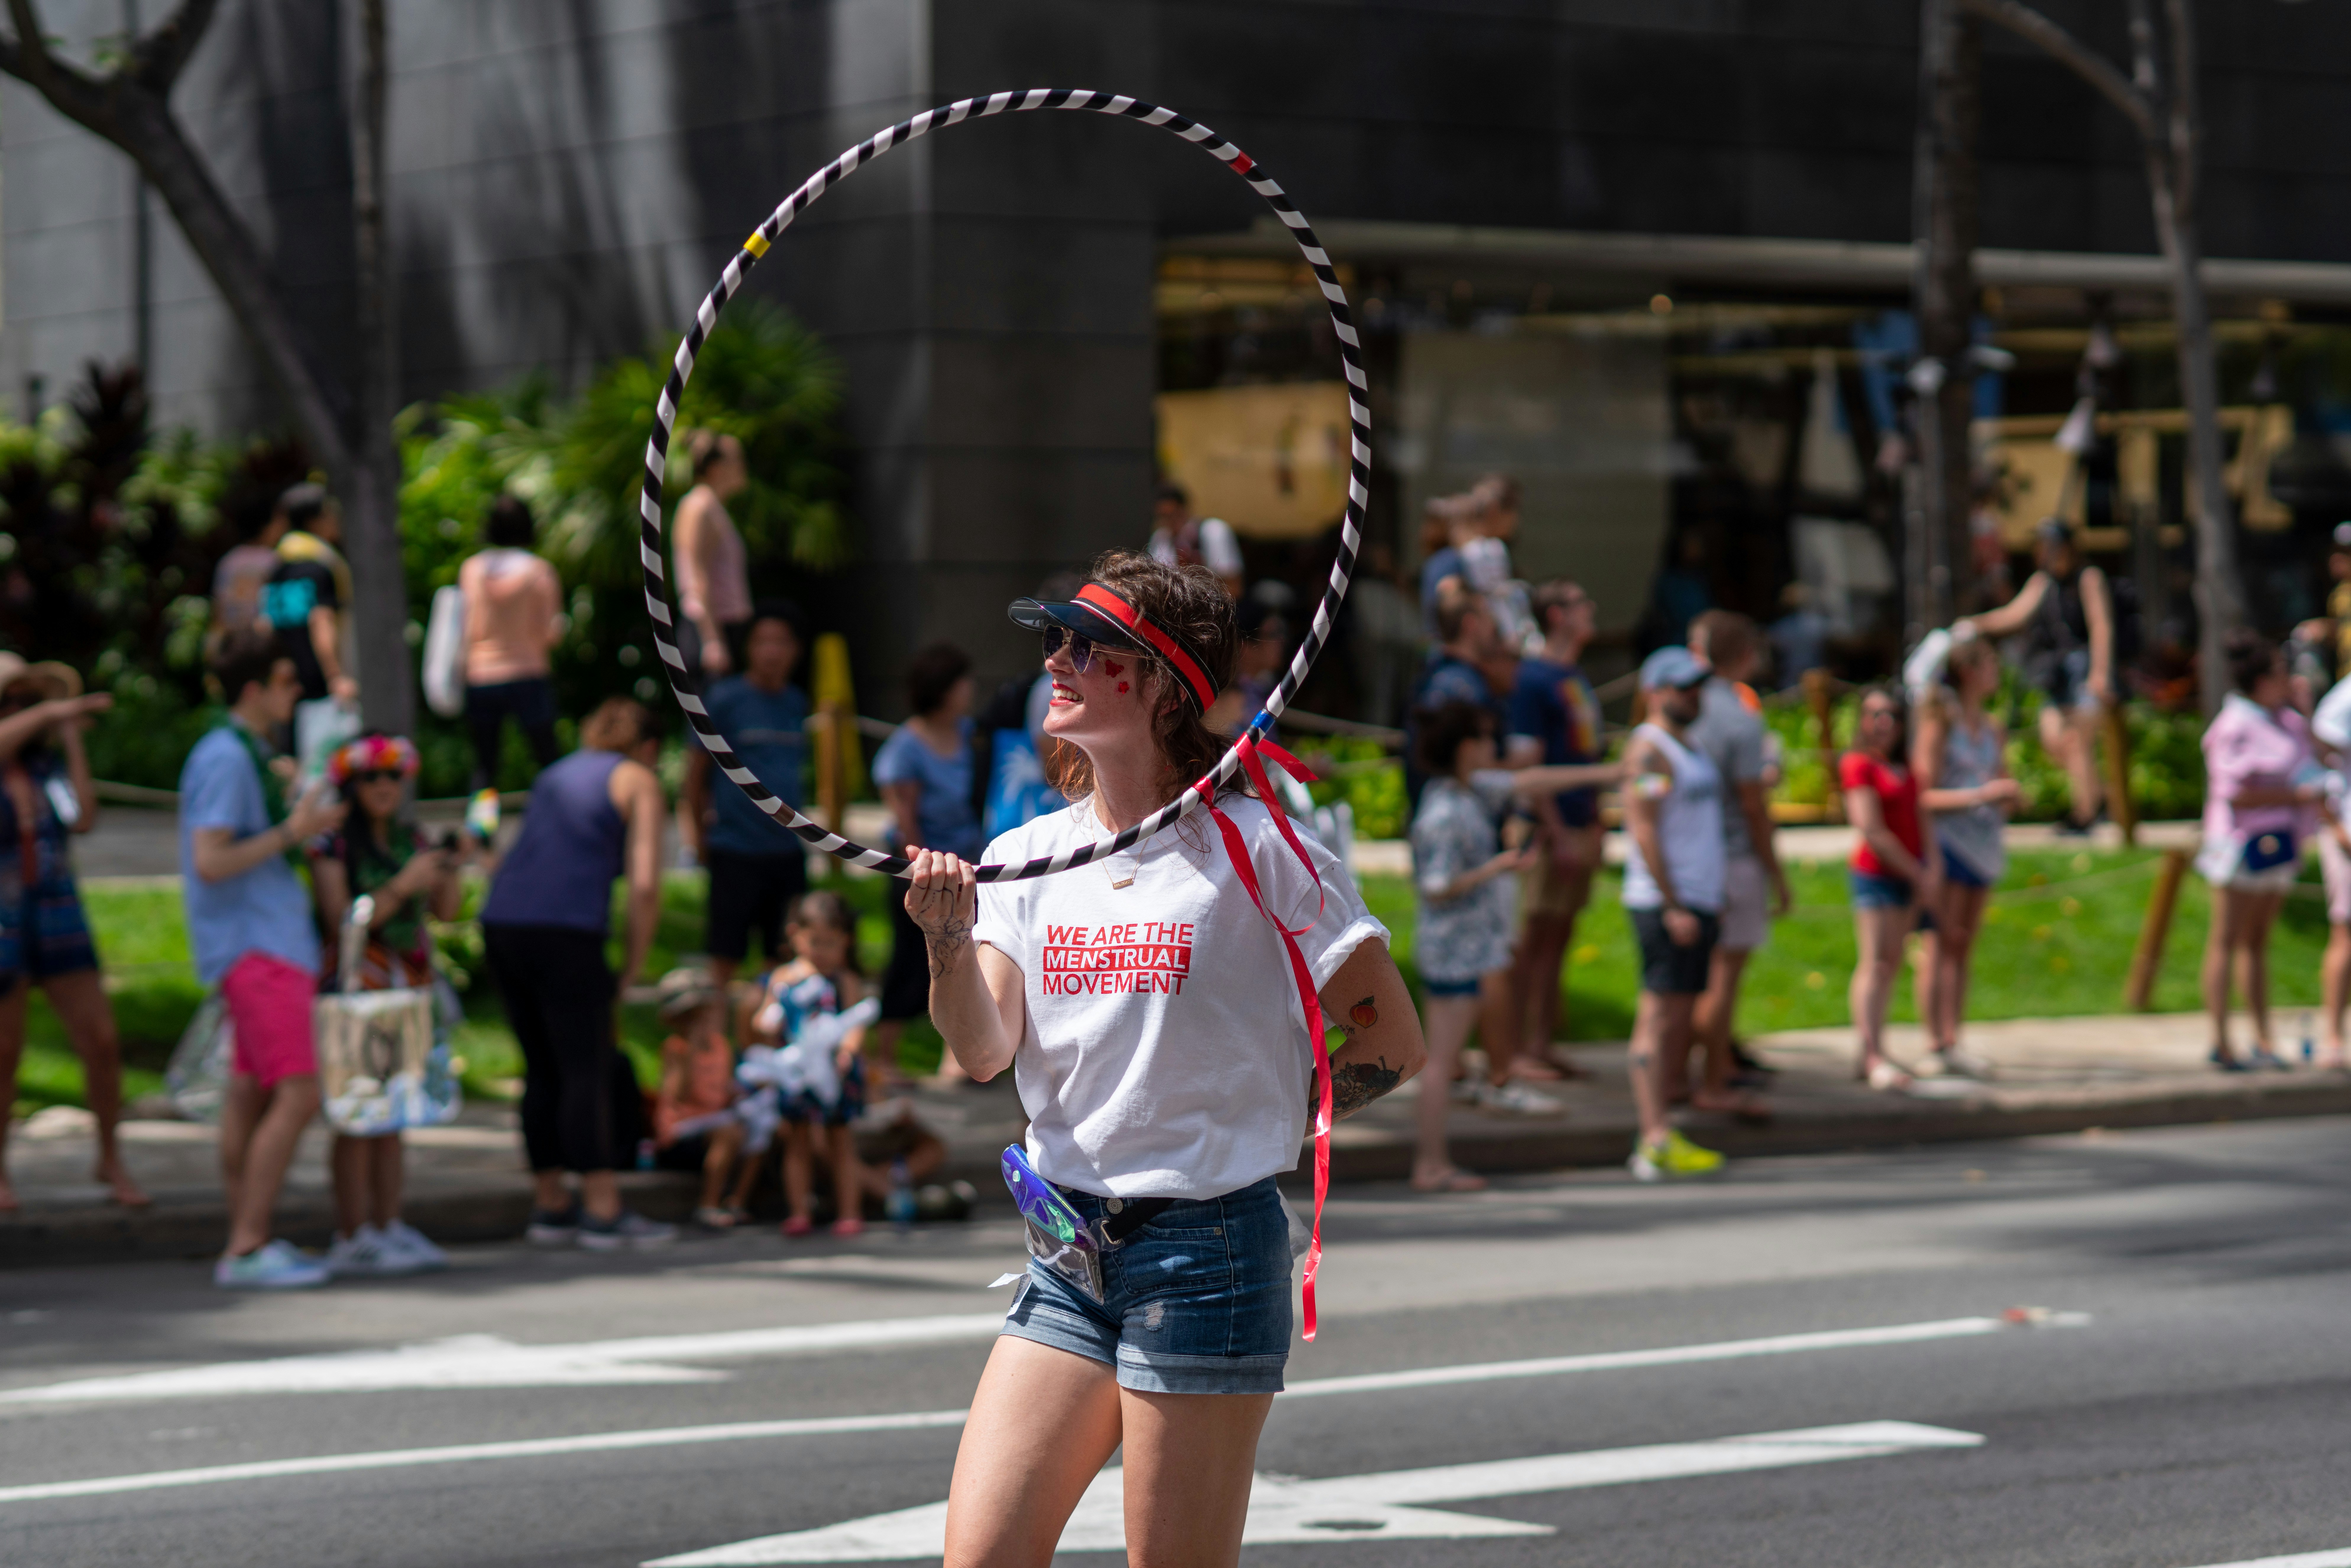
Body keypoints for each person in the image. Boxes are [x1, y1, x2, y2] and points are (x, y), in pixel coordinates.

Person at [909, 552, 1422, 1567]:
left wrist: (1266, 1116)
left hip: (1207, 1255)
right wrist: (945, 940)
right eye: (1052, 640)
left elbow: (1390, 1040)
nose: (1054, 660)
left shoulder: (1257, 843)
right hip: (1066, 1253)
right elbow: (979, 1051)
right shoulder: (1024, 856)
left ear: (1153, 681)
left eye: (1083, 645)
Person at [181, 629, 348, 1288]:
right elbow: (210, 860)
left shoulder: (245, 750)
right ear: (253, 689)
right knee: (301, 1089)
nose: (296, 689)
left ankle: (246, 1239)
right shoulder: (226, 756)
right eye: (285, 680)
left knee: (249, 1095)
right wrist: (292, 833)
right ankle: (248, 1246)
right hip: (258, 947)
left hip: (264, 943)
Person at [479, 698, 677, 1250]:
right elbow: (643, 885)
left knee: (540, 1066)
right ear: (650, 747)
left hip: (503, 923)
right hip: (567, 931)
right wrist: (631, 967)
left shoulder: (556, 773)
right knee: (584, 1065)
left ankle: (551, 1203)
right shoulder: (639, 778)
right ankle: (603, 1205)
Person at [1410, 699, 1621, 1191]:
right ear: (1465, 747)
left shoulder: (1462, 791)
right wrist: (1497, 866)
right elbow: (1436, 885)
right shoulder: (1445, 810)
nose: (1493, 748)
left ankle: (1434, 1159)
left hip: (1462, 947)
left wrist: (1609, 772)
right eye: (1484, 739)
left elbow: (1532, 781)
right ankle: (1430, 1162)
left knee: (1443, 1060)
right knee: (1440, 1062)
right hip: (1453, 950)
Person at [309, 733, 460, 1276]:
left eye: (394, 776)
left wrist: (450, 866)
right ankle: (352, 1232)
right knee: (356, 1113)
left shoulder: (410, 837)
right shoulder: (332, 843)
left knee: (395, 1110)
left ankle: (388, 1223)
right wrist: (402, 885)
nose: (384, 786)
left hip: (406, 984)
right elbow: (339, 918)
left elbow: (446, 909)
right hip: (355, 989)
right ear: (352, 784)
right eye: (372, 776)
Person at [0, 657, 145, 1213]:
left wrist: (68, 736)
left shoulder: (44, 767)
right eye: (11, 700)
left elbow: (84, 815)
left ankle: (110, 1156)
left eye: (26, 699)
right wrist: (52, 708)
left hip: (56, 907)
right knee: (4, 1049)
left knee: (102, 1039)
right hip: (5, 914)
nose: (23, 710)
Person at [1619, 647, 1728, 1181]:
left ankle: (1663, 1128)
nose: (1693, 695)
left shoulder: (1690, 747)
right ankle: (1652, 1135)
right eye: (1682, 687)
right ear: (1657, 690)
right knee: (1658, 1017)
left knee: (1681, 1016)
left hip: (1697, 901)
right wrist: (1672, 902)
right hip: (1667, 904)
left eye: (1697, 686)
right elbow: (1643, 827)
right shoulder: (1650, 751)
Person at [2197, 631, 2323, 1072]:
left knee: (2258, 943)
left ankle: (2263, 1038)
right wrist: (2293, 798)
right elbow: (2235, 794)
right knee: (2227, 940)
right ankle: (2221, 1041)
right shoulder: (2234, 725)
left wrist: (2305, 711)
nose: (2288, 678)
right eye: (2282, 673)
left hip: (2280, 845)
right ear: (2261, 679)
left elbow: (2317, 758)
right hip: (2239, 846)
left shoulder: (2286, 720)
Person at [1682, 611, 1787, 1119]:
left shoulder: (1687, 709)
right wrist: (1777, 872)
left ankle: (1681, 1072)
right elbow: (1752, 804)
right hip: (1734, 855)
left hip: (1692, 858)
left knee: (1691, 979)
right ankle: (1713, 1077)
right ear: (1745, 656)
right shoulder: (1739, 716)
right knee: (1722, 979)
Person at [682, 601, 810, 992]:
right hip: (734, 849)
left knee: (786, 954)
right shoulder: (724, 699)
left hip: (787, 850)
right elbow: (694, 778)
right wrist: (697, 841)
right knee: (726, 955)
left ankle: (771, 1039)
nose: (772, 651)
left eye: (781, 642)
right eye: (762, 641)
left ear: (796, 650)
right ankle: (716, 1042)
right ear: (748, 649)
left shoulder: (797, 704)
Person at [1507, 579, 1606, 1080]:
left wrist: (1595, 819)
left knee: (1559, 938)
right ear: (1557, 615)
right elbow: (1530, 766)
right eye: (1580, 603)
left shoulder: (1572, 676)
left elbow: (1583, 754)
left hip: (1580, 822)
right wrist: (1557, 830)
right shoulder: (1533, 678)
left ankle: (1542, 1041)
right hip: (1547, 832)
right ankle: (1518, 1048)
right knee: (1531, 940)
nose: (1591, 609)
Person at [1959, 519, 2115, 834]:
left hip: (2083, 670)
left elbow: (2101, 626)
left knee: (2076, 743)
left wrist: (2100, 674)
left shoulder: (2087, 578)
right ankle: (2101, 799)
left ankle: (2084, 816)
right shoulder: (2041, 581)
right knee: (2054, 742)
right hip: (2056, 673)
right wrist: (1974, 625)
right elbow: (2014, 615)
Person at [871, 643, 981, 1087]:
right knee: (909, 966)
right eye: (962, 682)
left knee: (966, 961)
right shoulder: (906, 747)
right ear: (943, 689)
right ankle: (885, 1061)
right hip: (921, 872)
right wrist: (925, 877)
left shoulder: (971, 734)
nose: (970, 690)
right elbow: (906, 824)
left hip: (968, 869)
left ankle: (956, 1062)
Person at [1912, 629, 2019, 1081]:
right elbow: (1923, 793)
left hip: (1983, 845)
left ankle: (1955, 1038)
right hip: (1948, 844)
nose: (1997, 674)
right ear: (1970, 672)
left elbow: (2001, 778)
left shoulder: (1991, 728)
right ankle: (1935, 1041)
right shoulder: (1941, 723)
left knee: (1963, 945)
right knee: (1938, 943)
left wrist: (2007, 796)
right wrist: (1979, 795)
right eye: (1990, 666)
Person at [752, 890, 871, 1237]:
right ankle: (799, 1211)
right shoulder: (784, 979)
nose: (822, 951)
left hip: (836, 1072)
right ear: (795, 936)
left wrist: (847, 1052)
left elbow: (854, 1024)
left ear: (845, 942)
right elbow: (765, 1019)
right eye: (814, 941)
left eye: (830, 943)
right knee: (797, 1141)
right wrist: (766, 1022)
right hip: (797, 1073)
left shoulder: (844, 981)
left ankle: (850, 1212)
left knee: (841, 1141)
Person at [1842, 686, 1936, 1092]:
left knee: (1893, 963)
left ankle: (1879, 1044)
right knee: (1874, 963)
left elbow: (1922, 818)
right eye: (1875, 714)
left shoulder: (1906, 767)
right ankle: (1869, 1052)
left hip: (1909, 875)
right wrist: (1916, 872)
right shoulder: (1858, 764)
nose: (1884, 724)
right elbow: (1871, 829)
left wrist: (1932, 868)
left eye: (1892, 715)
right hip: (1877, 875)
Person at [458, 495, 565, 791]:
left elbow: (467, 625)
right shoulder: (539, 571)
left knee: (485, 767)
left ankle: (480, 833)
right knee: (548, 759)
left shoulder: (472, 569)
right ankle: (562, 823)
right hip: (528, 672)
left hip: (481, 675)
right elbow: (551, 632)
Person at [260, 483, 358, 782]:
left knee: (292, 773)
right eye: (330, 514)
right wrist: (336, 678)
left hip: (285, 689)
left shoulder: (276, 570)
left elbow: (265, 627)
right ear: (315, 520)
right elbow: (322, 624)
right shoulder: (320, 568)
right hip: (319, 692)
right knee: (325, 777)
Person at [650, 967, 754, 1230]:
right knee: (729, 1133)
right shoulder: (676, 1049)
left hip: (715, 1123)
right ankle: (708, 1204)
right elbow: (679, 1095)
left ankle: (737, 1200)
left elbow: (722, 1094)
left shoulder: (722, 1047)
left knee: (759, 1131)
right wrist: (690, 1053)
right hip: (681, 1132)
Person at [1402, 590, 1503, 812]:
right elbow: (1466, 769)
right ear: (1471, 625)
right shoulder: (1460, 687)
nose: (1494, 628)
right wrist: (1520, 765)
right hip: (1458, 821)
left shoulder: (1435, 676)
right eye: (1488, 618)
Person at [673, 431, 753, 676]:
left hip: (725, 627)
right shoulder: (700, 506)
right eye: (737, 460)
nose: (744, 467)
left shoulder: (715, 507)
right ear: (716, 469)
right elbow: (697, 573)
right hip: (709, 629)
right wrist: (712, 640)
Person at [2310, 665, 2351, 1068]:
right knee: (2346, 934)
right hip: (2348, 833)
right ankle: (2333, 1037)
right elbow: (2316, 755)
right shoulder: (2346, 698)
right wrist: (2335, 823)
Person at [209, 486, 298, 644]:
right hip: (265, 645)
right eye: (279, 520)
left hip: (234, 645)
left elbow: (219, 612)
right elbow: (289, 613)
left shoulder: (229, 562)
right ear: (266, 526)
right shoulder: (276, 560)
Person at [1147, 482, 1243, 599]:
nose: (1171, 522)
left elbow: (1233, 587)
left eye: (1175, 515)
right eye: (1164, 517)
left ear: (1185, 510)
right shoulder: (1161, 537)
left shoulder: (1214, 531)